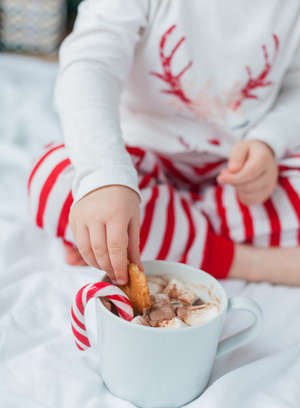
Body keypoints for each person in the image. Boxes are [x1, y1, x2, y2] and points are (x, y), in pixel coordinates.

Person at [28, 0, 300, 286]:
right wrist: (104, 179)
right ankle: (249, 261)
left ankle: (150, 236)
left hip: (238, 176)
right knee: (51, 179)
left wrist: (268, 141)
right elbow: (89, 65)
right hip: (135, 166)